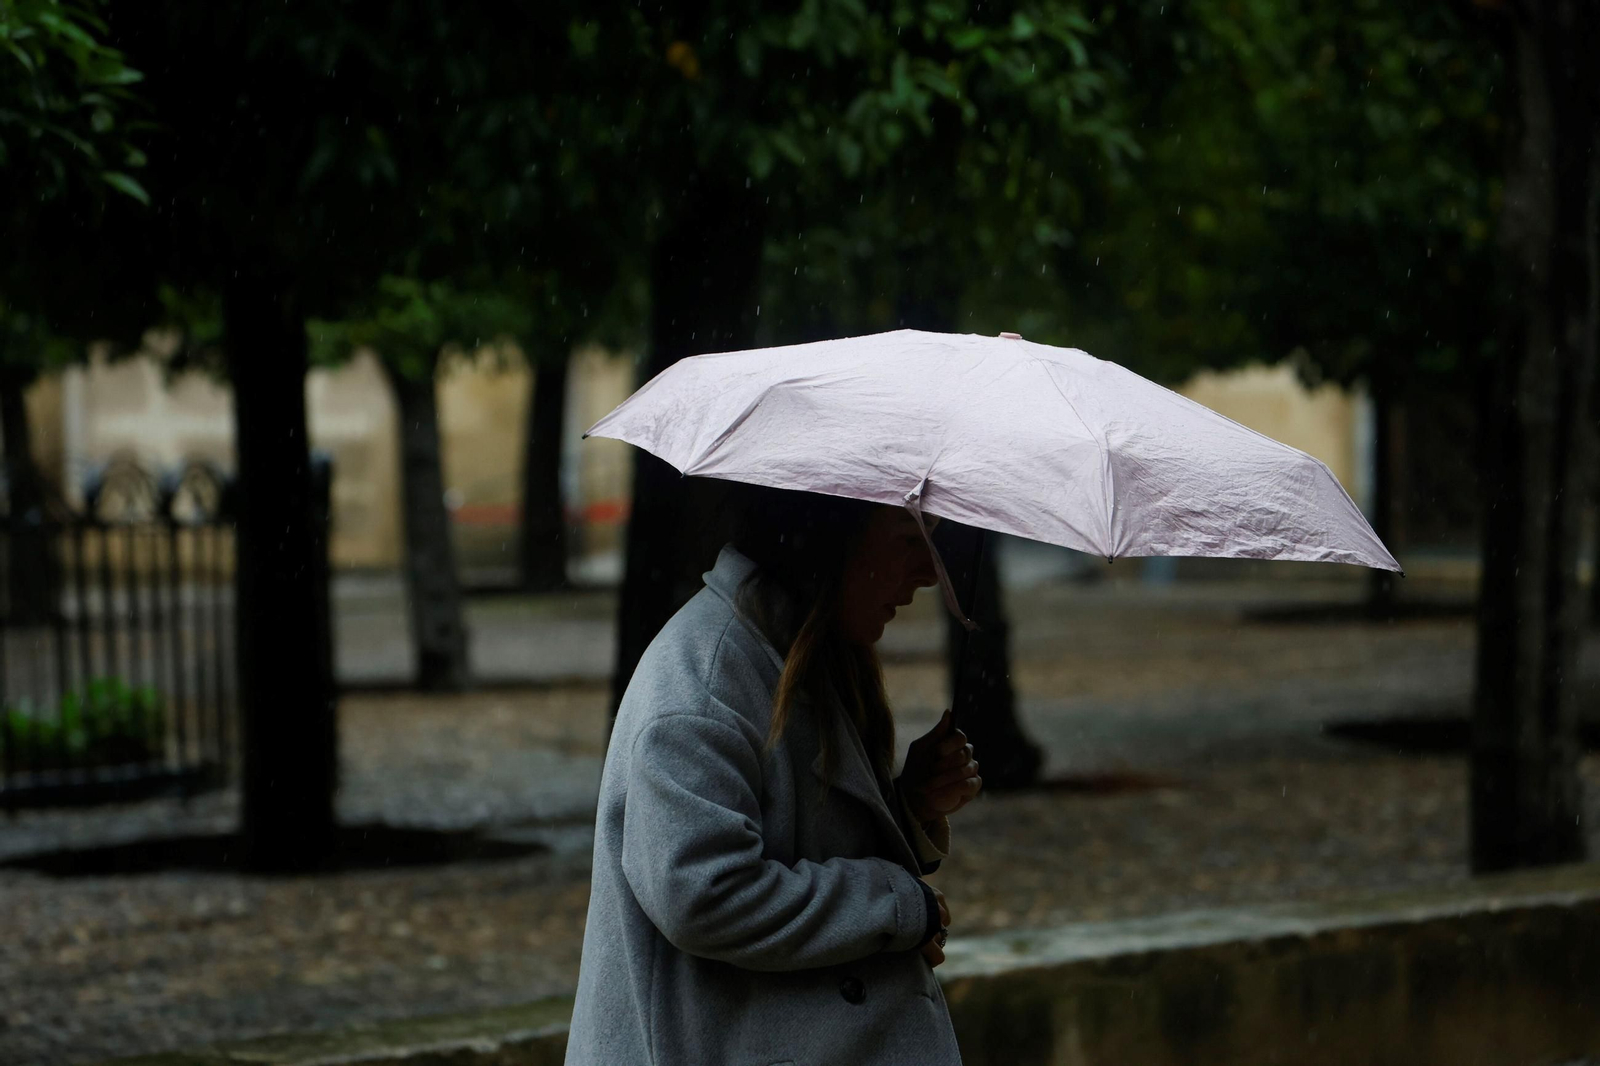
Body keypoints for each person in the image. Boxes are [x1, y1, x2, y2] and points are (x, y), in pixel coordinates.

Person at [566, 484, 985, 1065]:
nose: (928, 573)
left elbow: (799, 841)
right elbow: (706, 894)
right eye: (908, 541)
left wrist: (908, 807)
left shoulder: (797, 654)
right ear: (832, 538)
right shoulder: (707, 683)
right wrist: (896, 905)